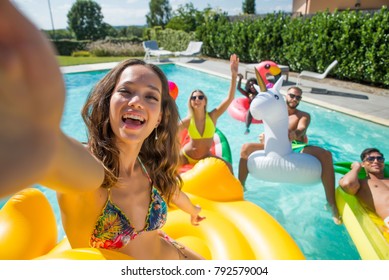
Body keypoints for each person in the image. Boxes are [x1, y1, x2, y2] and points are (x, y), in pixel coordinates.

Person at [0, 1, 205, 260]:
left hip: (173, 252)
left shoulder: (149, 167)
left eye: (150, 97)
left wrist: (193, 210)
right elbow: (50, 154)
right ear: (108, 102)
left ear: (159, 119)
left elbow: (174, 192)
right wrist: (31, 131)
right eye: (125, 91)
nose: (137, 101)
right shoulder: (92, 174)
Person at [238, 86, 341, 224]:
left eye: (298, 97)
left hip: (296, 147)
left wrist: (296, 134)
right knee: (246, 148)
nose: (294, 99)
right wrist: (264, 137)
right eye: (292, 95)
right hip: (275, 146)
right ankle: (240, 187)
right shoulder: (273, 111)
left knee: (326, 155)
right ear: (286, 95)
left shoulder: (303, 115)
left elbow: (301, 128)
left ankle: (331, 203)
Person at [179, 54, 239, 172]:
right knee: (165, 168)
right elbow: (170, 132)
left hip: (206, 157)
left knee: (229, 168)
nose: (197, 99)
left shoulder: (213, 116)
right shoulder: (188, 120)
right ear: (190, 102)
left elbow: (230, 98)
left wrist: (234, 75)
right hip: (186, 156)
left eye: (200, 97)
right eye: (193, 98)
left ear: (205, 101)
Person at [339, 148, 389, 231]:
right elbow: (347, 184)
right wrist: (356, 167)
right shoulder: (362, 183)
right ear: (363, 164)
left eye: (379, 159)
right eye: (370, 159)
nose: (376, 161)